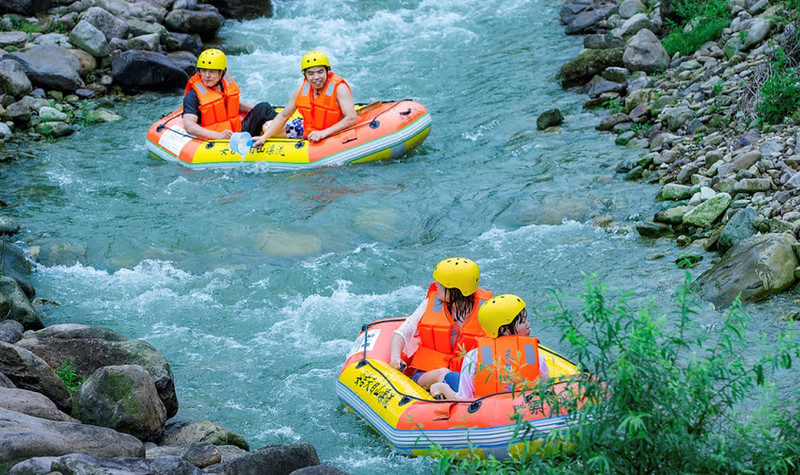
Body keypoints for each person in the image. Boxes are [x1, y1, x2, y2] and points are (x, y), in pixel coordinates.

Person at [389, 257, 493, 391]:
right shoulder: (429, 305)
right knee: (442, 373)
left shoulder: (486, 311)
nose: (435, 285)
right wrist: (395, 357)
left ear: (456, 290)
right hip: (426, 373)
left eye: (441, 283)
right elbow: (401, 333)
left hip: (465, 374)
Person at [430, 294, 550, 400]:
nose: (528, 325)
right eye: (523, 321)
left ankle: (434, 383)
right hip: (522, 410)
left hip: (485, 413)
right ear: (504, 330)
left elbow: (463, 401)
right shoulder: (535, 356)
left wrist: (444, 388)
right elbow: (543, 392)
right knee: (447, 375)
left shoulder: (473, 357)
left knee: (447, 376)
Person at [252, 50, 356, 144]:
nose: (316, 77)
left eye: (320, 72)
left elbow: (351, 118)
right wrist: (264, 137)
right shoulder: (301, 91)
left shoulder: (339, 89)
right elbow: (284, 115)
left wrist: (324, 133)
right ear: (305, 75)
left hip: (332, 129)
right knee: (267, 127)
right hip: (308, 128)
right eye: (311, 73)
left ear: (327, 71)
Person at [183, 48, 278, 141]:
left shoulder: (223, 85)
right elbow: (189, 126)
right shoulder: (193, 96)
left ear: (222, 72)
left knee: (263, 107)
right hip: (217, 139)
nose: (207, 75)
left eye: (212, 71)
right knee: (263, 109)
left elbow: (231, 104)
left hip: (236, 131)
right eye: (204, 71)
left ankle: (285, 127)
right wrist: (218, 135)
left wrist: (255, 110)